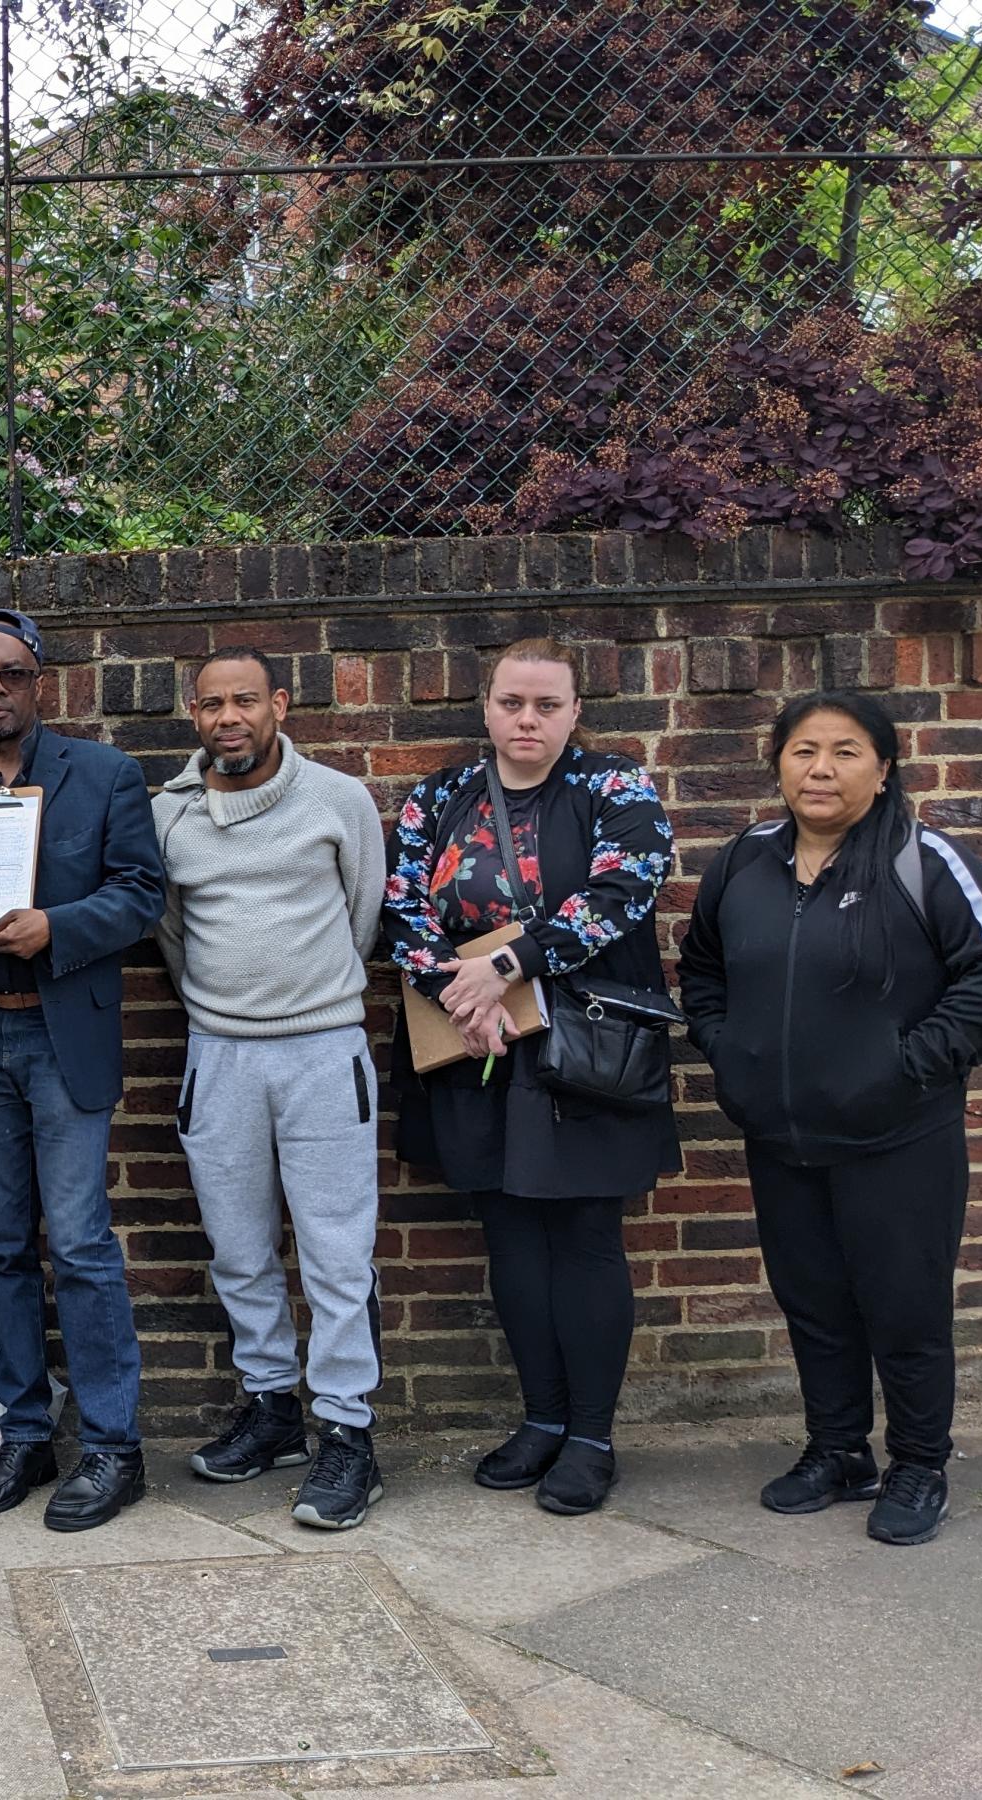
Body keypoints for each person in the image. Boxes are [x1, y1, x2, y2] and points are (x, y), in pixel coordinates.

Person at [679, 691, 982, 1547]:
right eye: (804, 750)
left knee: (903, 1306)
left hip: (898, 1138)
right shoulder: (744, 859)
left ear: (884, 769)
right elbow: (701, 970)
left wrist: (906, 1067)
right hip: (782, 1138)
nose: (822, 769)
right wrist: (728, 1051)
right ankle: (837, 1450)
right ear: (777, 762)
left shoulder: (923, 860)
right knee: (813, 1302)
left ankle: (919, 1464)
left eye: (847, 752)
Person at [383, 637, 677, 1516]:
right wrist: (459, 993)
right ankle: (542, 1418)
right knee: (507, 1232)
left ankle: (592, 1434)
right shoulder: (437, 798)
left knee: (586, 1236)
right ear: (486, 708)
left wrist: (507, 965)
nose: (528, 720)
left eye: (548, 705)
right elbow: (401, 909)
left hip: (586, 1050)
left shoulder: (615, 788)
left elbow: (625, 890)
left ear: (575, 712)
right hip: (480, 1046)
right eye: (513, 702)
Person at [0, 608, 165, 1532]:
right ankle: (24, 1432)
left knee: (83, 1247)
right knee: (2, 1249)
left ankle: (111, 1449)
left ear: (40, 681)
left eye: (11, 672)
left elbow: (140, 895)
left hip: (62, 1042)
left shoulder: (103, 777)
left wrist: (58, 926)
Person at [154, 648, 391, 1530]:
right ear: (195, 715)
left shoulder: (337, 800)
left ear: (279, 705)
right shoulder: (169, 818)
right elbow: (171, 934)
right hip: (218, 1057)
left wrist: (309, 999)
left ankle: (347, 1438)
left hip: (324, 1051)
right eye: (211, 703)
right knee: (239, 1248)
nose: (228, 717)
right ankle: (273, 1410)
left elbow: (363, 912)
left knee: (336, 1253)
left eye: (245, 700)